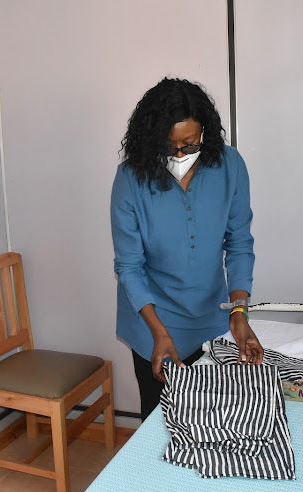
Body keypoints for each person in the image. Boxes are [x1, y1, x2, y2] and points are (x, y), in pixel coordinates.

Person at [110, 77, 264, 421]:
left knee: (210, 419)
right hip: (152, 323)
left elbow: (239, 243)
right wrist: (159, 334)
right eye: (170, 146)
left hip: (210, 317)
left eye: (189, 144)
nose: (179, 154)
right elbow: (129, 267)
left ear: (204, 133)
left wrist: (239, 313)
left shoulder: (230, 166)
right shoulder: (131, 179)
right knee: (161, 423)